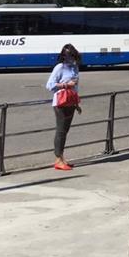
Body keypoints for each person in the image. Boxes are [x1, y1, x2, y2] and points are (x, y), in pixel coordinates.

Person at [46, 43, 81, 171]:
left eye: (72, 56)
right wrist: (66, 85)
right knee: (61, 130)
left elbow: (76, 87)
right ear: (64, 56)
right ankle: (58, 159)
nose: (70, 58)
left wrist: (76, 103)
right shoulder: (60, 67)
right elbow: (49, 85)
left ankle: (61, 157)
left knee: (65, 131)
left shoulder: (75, 67)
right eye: (68, 56)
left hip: (71, 101)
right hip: (60, 102)